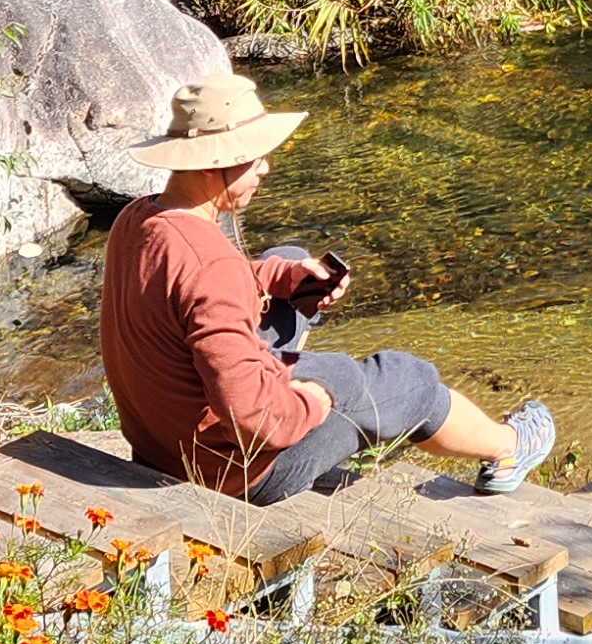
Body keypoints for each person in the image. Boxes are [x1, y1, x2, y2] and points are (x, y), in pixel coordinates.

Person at [99, 72, 556, 505]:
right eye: (255, 157)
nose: (266, 168)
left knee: (293, 258)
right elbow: (258, 419)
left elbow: (191, 292)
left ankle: (359, 400)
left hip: (161, 441)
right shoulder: (211, 266)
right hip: (239, 470)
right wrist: (316, 398)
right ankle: (510, 446)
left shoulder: (138, 219)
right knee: (401, 378)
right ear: (214, 165)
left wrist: (282, 276)